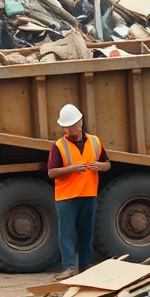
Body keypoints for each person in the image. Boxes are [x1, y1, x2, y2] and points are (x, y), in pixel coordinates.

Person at [47, 104, 110, 281]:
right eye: (66, 127)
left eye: (72, 125)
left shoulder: (95, 142)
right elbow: (51, 172)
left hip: (89, 194)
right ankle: (68, 268)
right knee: (65, 234)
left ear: (80, 122)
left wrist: (100, 166)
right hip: (66, 197)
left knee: (86, 232)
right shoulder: (59, 146)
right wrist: (72, 169)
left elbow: (107, 163)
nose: (69, 130)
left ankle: (86, 265)